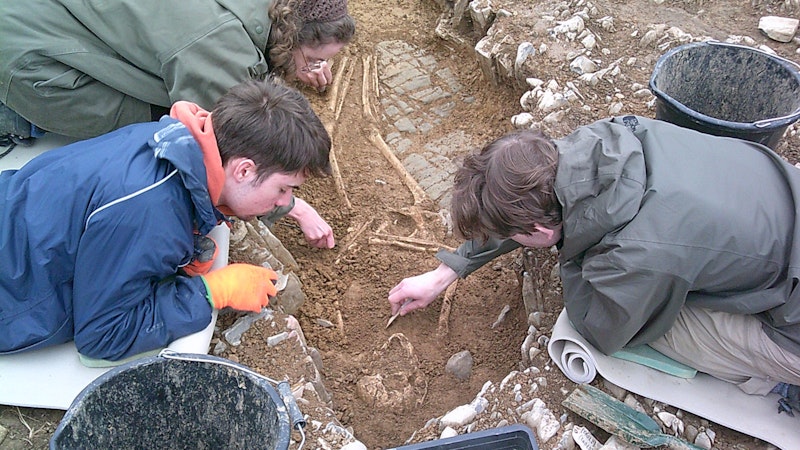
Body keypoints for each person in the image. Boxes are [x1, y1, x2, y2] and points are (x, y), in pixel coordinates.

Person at [388, 115, 800, 414]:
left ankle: (779, 381)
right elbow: (525, 211)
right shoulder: (600, 142)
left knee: (660, 327)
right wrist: (448, 270)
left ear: (539, 231)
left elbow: (604, 328)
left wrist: (574, 257)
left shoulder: (634, 254)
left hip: (792, 326)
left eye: (519, 236)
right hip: (780, 203)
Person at [0, 78, 333, 363]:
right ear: (244, 170)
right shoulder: (149, 211)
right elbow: (102, 336)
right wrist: (210, 292)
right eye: (284, 189)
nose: (285, 202)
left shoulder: (171, 142)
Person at [0, 0, 356, 143]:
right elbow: (228, 133)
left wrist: (293, 63)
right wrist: (291, 204)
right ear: (293, 35)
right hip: (32, 55)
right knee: (164, 123)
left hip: (49, 12)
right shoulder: (219, 43)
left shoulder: (257, 10)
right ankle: (18, 120)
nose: (314, 69)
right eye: (312, 58)